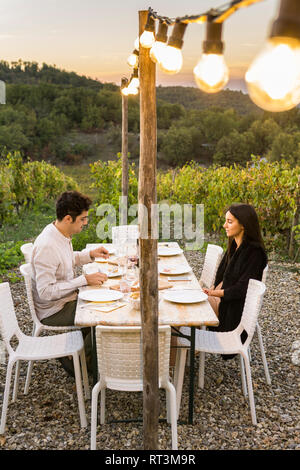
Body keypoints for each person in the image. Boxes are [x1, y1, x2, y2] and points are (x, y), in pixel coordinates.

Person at [31, 190, 109, 376]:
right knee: (99, 314)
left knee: (102, 302)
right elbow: (46, 292)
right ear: (68, 218)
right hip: (54, 310)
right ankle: (84, 366)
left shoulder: (59, 234)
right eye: (82, 219)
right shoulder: (47, 245)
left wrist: (90, 255)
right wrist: (83, 280)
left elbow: (66, 260)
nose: (85, 222)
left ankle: (85, 353)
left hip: (66, 299)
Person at [203, 203, 267, 357]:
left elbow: (241, 288)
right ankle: (180, 354)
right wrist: (210, 292)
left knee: (186, 315)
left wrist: (213, 294)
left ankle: (181, 356)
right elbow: (222, 276)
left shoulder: (255, 253)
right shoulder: (234, 246)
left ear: (243, 224)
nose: (225, 225)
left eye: (230, 222)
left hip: (231, 311)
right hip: (220, 301)